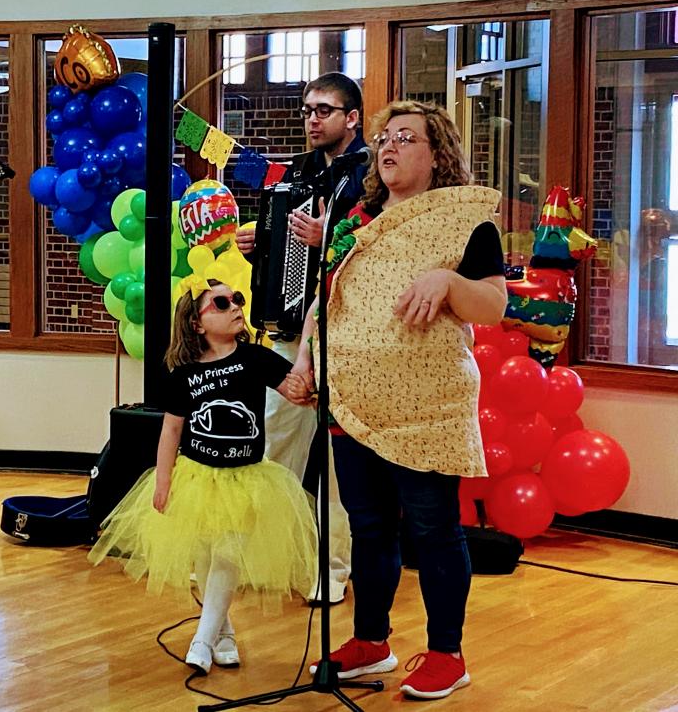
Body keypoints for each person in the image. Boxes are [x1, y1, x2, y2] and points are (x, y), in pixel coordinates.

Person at [296, 100, 507, 699]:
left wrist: (448, 282)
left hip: (427, 407)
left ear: (437, 153)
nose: (389, 147)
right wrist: (307, 357)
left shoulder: (463, 222)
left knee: (434, 529)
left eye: (406, 138)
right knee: (366, 528)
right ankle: (371, 642)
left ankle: (447, 653)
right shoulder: (357, 219)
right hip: (351, 400)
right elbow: (325, 299)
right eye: (385, 138)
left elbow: (493, 307)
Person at [89, 278, 317, 674]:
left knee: (227, 554)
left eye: (238, 300)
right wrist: (163, 481)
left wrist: (307, 373)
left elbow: (295, 389)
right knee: (206, 559)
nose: (235, 308)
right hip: (196, 477)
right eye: (222, 303)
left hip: (245, 478)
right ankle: (223, 635)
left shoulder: (255, 358)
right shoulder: (183, 374)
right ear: (196, 324)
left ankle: (201, 639)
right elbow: (171, 431)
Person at [235, 72, 367, 604]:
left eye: (325, 110)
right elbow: (276, 236)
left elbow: (376, 246)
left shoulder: (367, 177)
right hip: (290, 332)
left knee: (335, 464)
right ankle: (268, 554)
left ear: (352, 118)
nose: (313, 119)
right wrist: (256, 239)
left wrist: (332, 237)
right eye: (308, 109)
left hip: (344, 336)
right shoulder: (296, 174)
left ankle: (332, 571)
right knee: (273, 444)